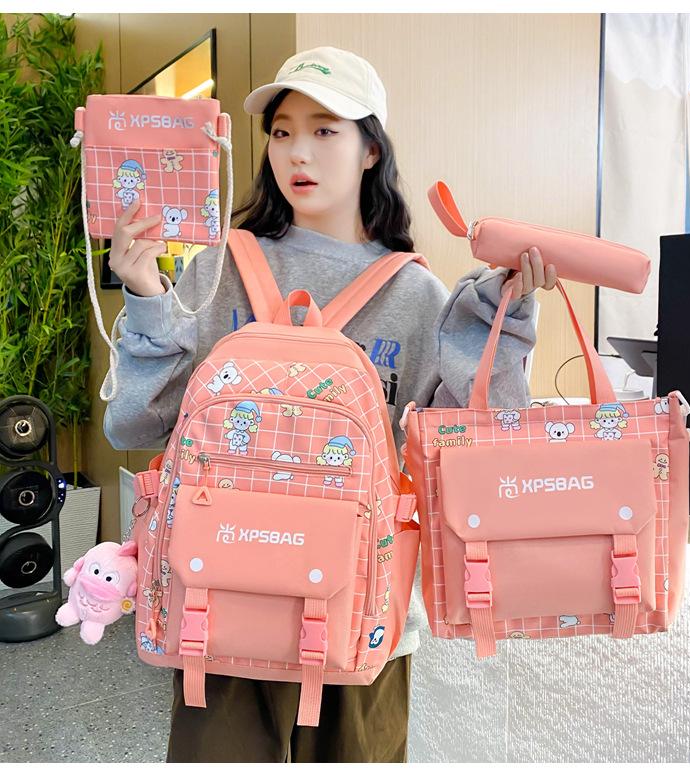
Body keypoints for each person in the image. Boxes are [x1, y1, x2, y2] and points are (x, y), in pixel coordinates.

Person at [103, 45, 557, 763]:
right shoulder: (217, 269)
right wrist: (146, 296)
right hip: (220, 599)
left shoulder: (417, 296)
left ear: (372, 149)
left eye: (325, 130)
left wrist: (504, 322)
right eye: (282, 132)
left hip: (361, 610)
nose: (297, 152)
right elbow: (136, 424)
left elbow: (469, 459)